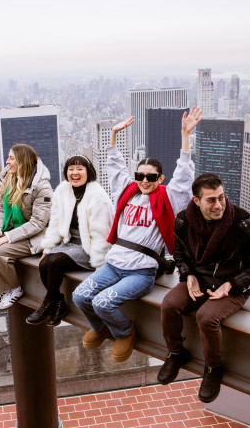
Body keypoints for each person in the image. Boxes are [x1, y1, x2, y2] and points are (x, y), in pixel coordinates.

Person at [72, 108, 202, 362]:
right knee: (80, 296)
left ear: (160, 178)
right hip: (113, 265)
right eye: (140, 175)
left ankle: (125, 333)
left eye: (151, 177)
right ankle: (101, 329)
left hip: (141, 272)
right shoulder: (128, 193)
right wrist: (112, 135)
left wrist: (185, 136)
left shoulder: (167, 198)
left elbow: (184, 178)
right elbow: (115, 169)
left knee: (102, 303)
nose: (144, 180)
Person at [157, 173, 250, 403]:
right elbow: (179, 255)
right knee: (169, 304)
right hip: (199, 279)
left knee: (206, 317)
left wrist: (233, 284)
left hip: (233, 284)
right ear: (196, 201)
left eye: (221, 197)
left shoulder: (244, 223)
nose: (219, 205)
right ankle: (176, 352)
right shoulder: (183, 221)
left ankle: (213, 369)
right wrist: (188, 275)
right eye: (211, 200)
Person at [26, 155, 114, 326]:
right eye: (71, 169)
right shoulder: (63, 190)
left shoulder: (98, 196)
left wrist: (99, 266)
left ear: (89, 172)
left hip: (90, 245)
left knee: (55, 261)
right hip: (70, 242)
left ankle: (47, 303)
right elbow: (55, 222)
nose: (75, 172)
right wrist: (47, 248)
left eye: (80, 169)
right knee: (44, 263)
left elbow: (102, 234)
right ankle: (59, 303)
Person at [0, 144, 53, 306]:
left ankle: (14, 288)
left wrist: (8, 238)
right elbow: (0, 209)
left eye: (11, 158)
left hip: (34, 236)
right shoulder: (8, 179)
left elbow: (38, 223)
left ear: (22, 161)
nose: (7, 162)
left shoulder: (42, 187)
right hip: (11, 229)